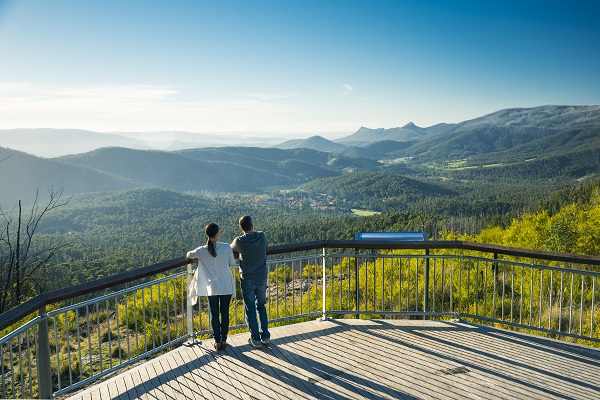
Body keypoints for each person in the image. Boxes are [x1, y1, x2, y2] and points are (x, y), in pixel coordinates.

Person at [187, 223, 236, 351]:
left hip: (212, 288)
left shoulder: (202, 251)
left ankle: (217, 341)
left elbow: (189, 255)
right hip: (225, 285)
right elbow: (232, 263)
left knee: (214, 314)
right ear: (218, 233)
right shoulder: (226, 247)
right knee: (224, 313)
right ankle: (224, 340)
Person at [230, 215, 270, 347]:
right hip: (261, 277)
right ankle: (265, 336)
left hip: (247, 278)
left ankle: (255, 338)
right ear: (252, 225)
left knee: (250, 308)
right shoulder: (262, 236)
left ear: (241, 227)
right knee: (261, 306)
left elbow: (230, 249)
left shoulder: (239, 241)